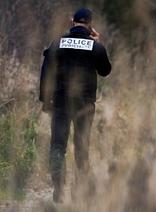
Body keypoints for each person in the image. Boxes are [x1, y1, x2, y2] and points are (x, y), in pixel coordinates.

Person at [39, 8, 111, 202]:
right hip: (85, 105)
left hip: (61, 103)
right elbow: (105, 71)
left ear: (73, 23)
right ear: (90, 24)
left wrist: (45, 101)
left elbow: (45, 73)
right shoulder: (95, 47)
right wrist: (98, 42)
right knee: (81, 147)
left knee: (57, 146)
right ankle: (79, 191)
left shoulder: (57, 44)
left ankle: (58, 190)